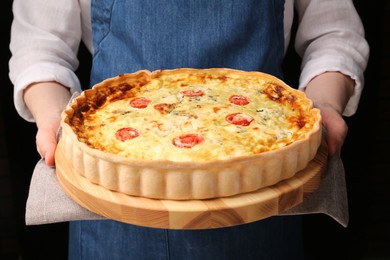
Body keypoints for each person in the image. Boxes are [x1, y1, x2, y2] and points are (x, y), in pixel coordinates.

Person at [9, 0, 369, 259]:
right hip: (111, 205)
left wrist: (325, 105)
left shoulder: (294, 125)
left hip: (265, 192)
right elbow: (40, 46)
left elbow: (334, 34)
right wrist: (51, 116)